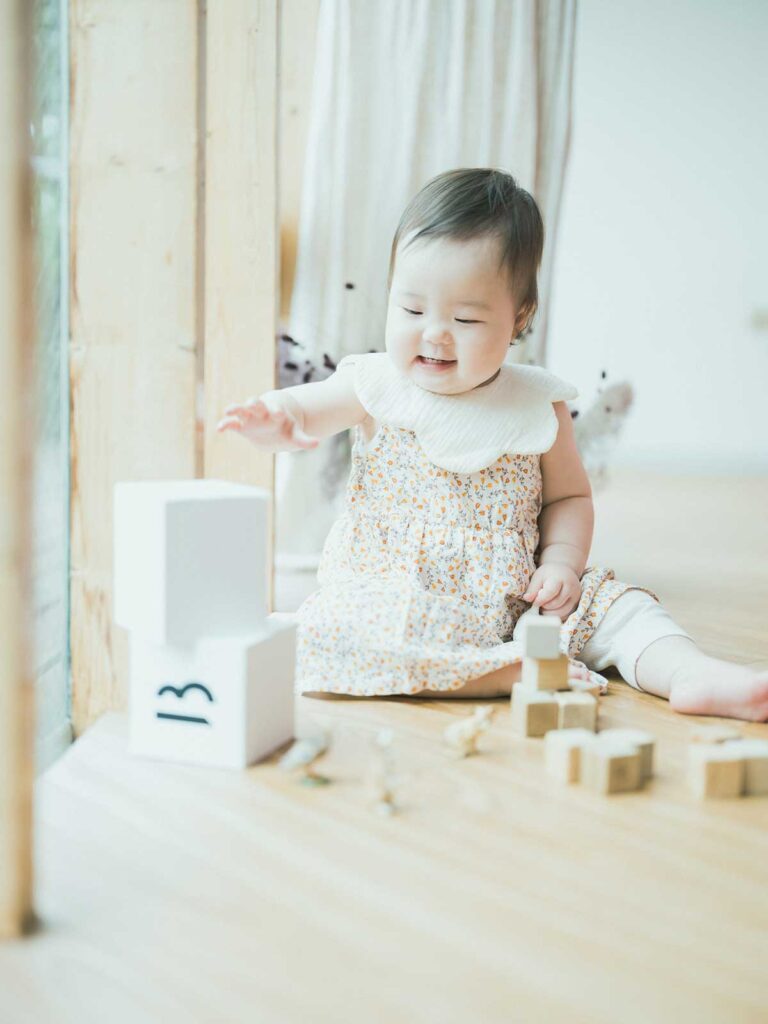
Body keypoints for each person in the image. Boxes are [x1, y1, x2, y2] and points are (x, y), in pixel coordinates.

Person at [217, 168, 768, 722]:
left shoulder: (538, 405)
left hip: (521, 601)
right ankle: (491, 675)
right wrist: (276, 416)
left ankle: (689, 673)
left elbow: (569, 499)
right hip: (398, 596)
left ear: (518, 318)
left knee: (623, 611)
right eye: (411, 310)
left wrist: (561, 566)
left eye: (465, 318)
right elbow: (309, 406)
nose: (434, 333)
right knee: (330, 635)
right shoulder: (374, 383)